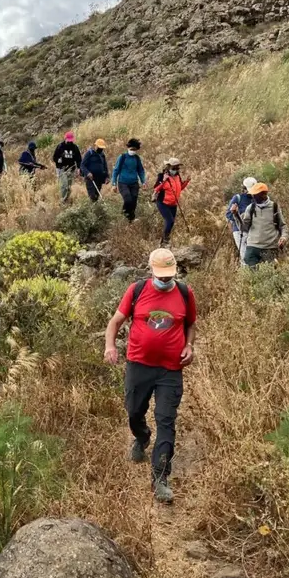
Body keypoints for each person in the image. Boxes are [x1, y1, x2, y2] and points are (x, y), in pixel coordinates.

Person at [104, 248, 197, 504]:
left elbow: (190, 324)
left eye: (169, 276)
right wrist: (110, 346)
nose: (165, 280)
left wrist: (189, 345)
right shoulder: (137, 290)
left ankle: (160, 479)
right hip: (139, 365)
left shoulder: (184, 293)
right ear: (151, 270)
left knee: (166, 421)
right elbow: (115, 322)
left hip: (170, 369)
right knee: (134, 411)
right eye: (161, 275)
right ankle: (142, 436)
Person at [240, 183, 288, 268]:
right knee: (251, 273)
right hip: (252, 247)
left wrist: (284, 237)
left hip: (270, 247)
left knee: (270, 274)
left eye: (256, 195)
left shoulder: (274, 207)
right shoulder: (250, 208)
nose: (253, 197)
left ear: (264, 194)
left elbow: (283, 226)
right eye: (253, 195)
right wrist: (236, 215)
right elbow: (244, 227)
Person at [153, 158, 190, 247]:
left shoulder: (177, 176)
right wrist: (164, 180)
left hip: (173, 204)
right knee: (170, 220)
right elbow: (156, 188)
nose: (176, 170)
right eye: (174, 168)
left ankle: (163, 241)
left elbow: (180, 188)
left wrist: (187, 181)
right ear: (169, 167)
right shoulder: (162, 176)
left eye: (177, 168)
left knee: (171, 222)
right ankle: (165, 240)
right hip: (163, 203)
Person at [112, 138, 147, 221]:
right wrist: (113, 184)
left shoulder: (137, 158)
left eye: (135, 150)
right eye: (131, 149)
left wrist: (143, 182)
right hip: (123, 183)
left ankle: (131, 219)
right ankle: (123, 215)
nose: (133, 151)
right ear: (128, 148)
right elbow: (116, 170)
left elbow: (141, 171)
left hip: (134, 183)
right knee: (128, 199)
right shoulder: (122, 157)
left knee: (134, 202)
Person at [225, 177, 257, 265]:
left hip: (253, 231)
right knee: (245, 257)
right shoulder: (238, 198)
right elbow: (228, 214)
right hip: (239, 231)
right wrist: (239, 216)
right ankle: (247, 276)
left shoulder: (257, 199)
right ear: (244, 188)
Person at [52, 131, 82, 202]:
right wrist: (58, 160)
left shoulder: (75, 147)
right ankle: (62, 200)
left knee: (68, 187)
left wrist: (79, 168)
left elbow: (78, 159)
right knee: (64, 185)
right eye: (68, 140)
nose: (69, 142)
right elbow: (54, 157)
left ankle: (66, 200)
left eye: (71, 140)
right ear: (65, 138)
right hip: (61, 169)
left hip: (71, 169)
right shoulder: (60, 146)